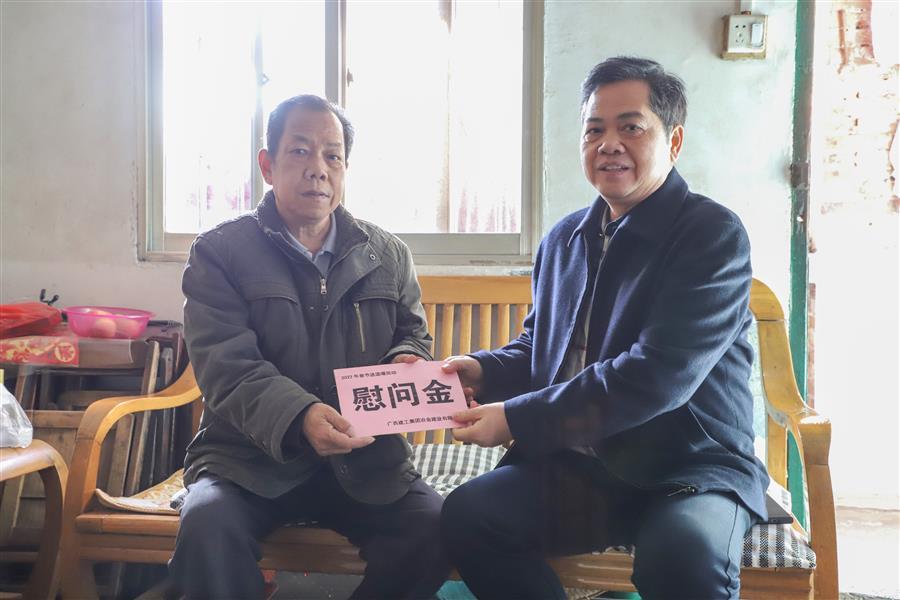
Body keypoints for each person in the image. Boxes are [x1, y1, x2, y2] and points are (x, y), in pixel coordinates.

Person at [440, 57, 769, 600]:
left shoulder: (711, 235)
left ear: (674, 140)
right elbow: (543, 350)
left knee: (684, 556)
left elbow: (656, 375)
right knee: (470, 515)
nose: (608, 144)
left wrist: (515, 417)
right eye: (594, 130)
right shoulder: (565, 239)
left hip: (687, 468)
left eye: (630, 127)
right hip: (584, 469)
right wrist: (481, 370)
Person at [170, 94, 450, 599]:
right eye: (299, 151)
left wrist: (405, 364)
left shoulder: (387, 254)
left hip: (367, 464)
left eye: (332, 155)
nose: (318, 168)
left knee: (432, 528)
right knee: (208, 523)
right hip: (249, 460)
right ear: (267, 164)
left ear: (345, 169)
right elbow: (225, 365)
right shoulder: (220, 252)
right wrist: (300, 416)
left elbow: (413, 336)